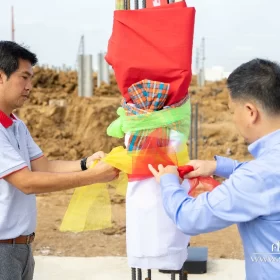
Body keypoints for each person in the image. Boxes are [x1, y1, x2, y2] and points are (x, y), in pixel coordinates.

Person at [148, 58, 280, 280]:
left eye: (232, 111)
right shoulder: (266, 168)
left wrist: (169, 182)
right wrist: (220, 166)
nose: (233, 119)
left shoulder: (258, 176)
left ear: (250, 112)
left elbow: (190, 218)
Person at [0, 41, 119, 280]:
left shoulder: (16, 125)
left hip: (21, 247)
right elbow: (26, 181)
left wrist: (87, 163)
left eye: (31, 79)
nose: (29, 87)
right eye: (24, 77)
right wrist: (94, 176)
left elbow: (44, 167)